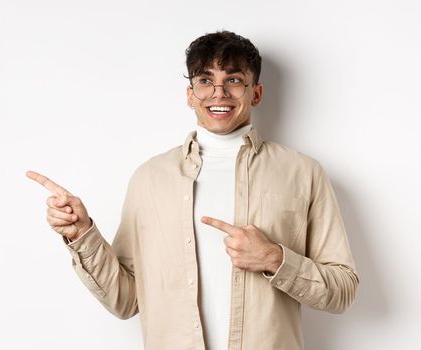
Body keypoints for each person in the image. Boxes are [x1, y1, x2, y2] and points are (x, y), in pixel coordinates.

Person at [26, 30, 358, 350]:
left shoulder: (302, 172)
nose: (219, 93)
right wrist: (82, 234)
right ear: (190, 95)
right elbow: (125, 300)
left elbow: (343, 290)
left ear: (256, 93)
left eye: (233, 80)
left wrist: (274, 258)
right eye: (204, 81)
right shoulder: (150, 178)